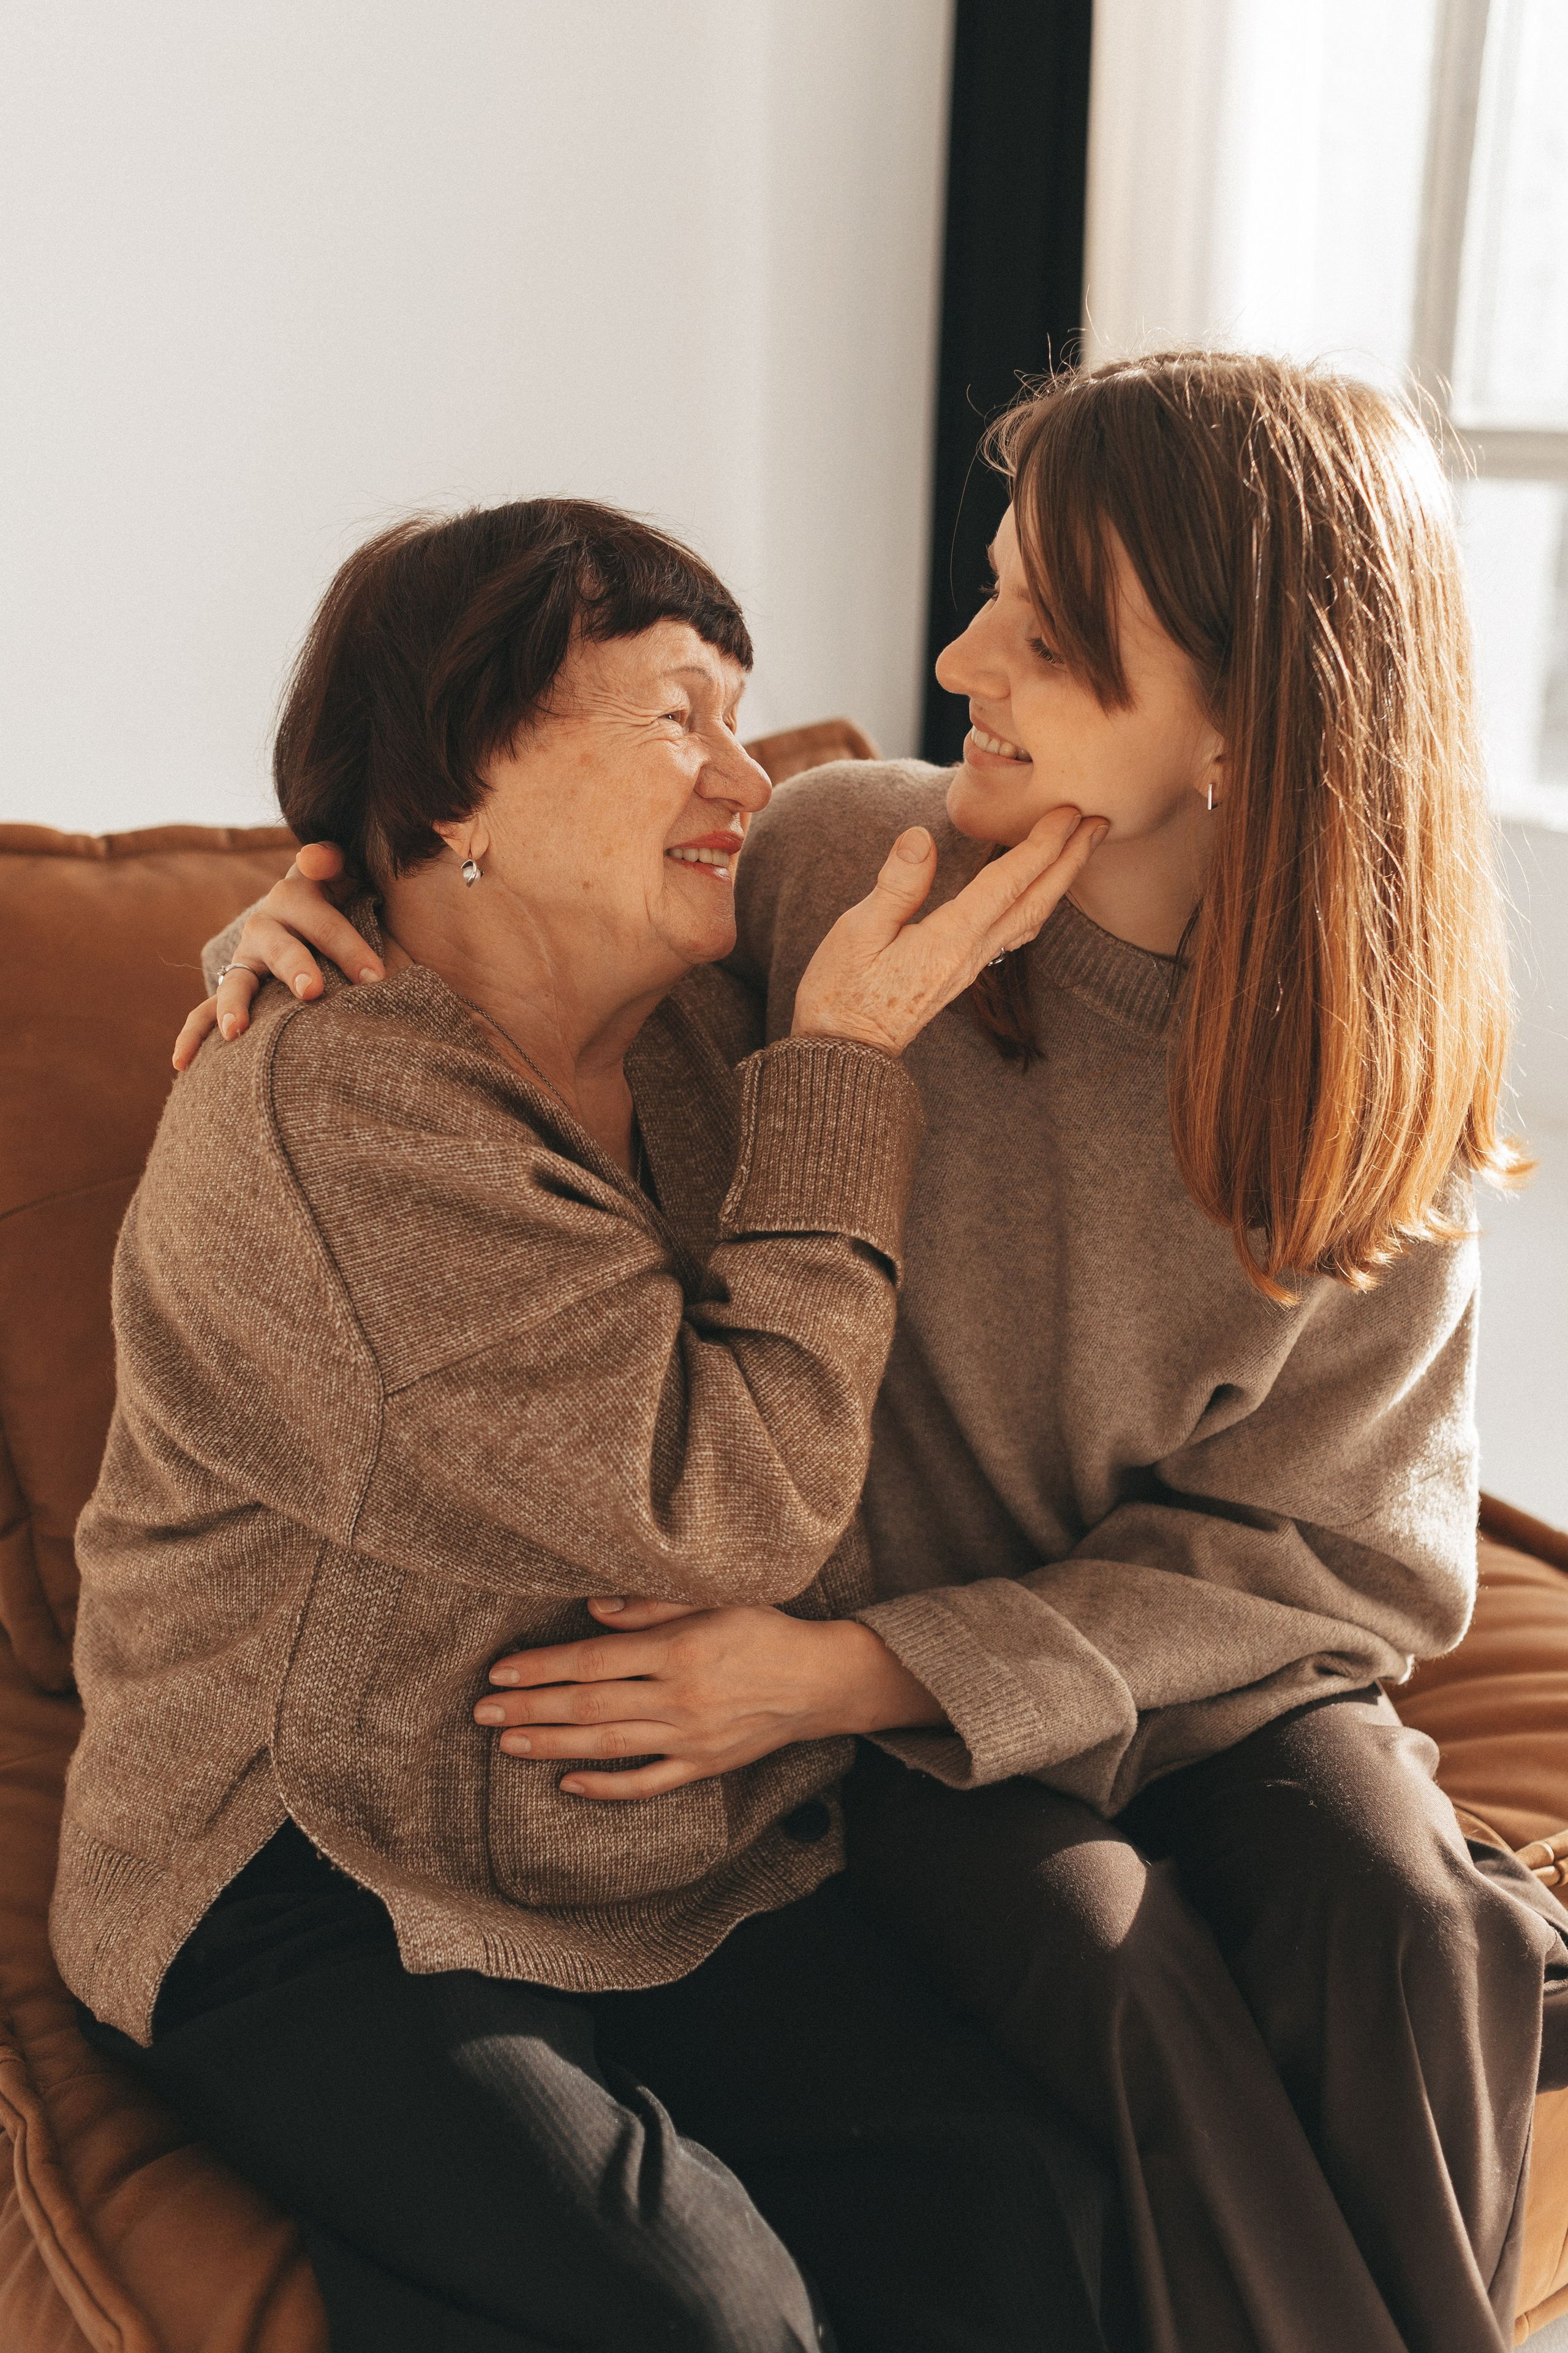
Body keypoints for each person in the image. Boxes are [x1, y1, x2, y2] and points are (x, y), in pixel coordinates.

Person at [204, 354, 1568, 2353]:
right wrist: (301, 902)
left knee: (1405, 1921)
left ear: (1241, 723)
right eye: (993, 580)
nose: (957, 653)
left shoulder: (1386, 1068)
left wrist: (834, 1665)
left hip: (1191, 1677)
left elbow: (1345, 1560)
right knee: (1105, 1969)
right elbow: (521, 921)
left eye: (1049, 627)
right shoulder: (843, 857)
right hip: (916, 1731)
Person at [59, 497, 1129, 2353]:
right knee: (691, 2317)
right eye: (674, 718)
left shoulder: (702, 1039)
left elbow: (1068, 815)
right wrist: (849, 1081)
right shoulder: (338, 1117)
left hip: (660, 1844)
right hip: (316, 1866)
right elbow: (723, 1503)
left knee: (1028, 2222)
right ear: (458, 786)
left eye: (743, 712)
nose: (742, 778)